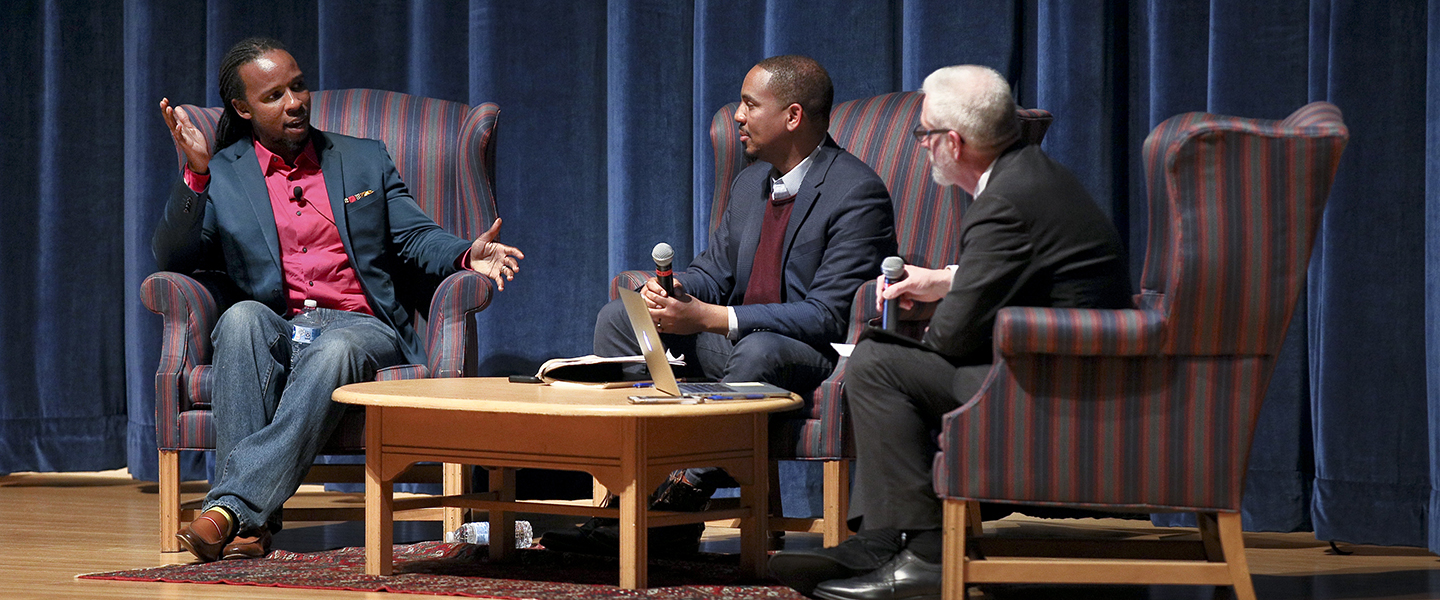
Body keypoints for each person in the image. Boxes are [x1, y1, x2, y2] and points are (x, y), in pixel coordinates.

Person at [767, 65, 1134, 600]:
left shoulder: (1004, 203)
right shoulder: (1028, 176)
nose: (920, 148)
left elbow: (954, 341)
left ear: (953, 143)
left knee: (878, 364)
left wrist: (931, 319)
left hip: (1056, 390)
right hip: (1052, 365)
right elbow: (1024, 273)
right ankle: (882, 541)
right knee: (885, 359)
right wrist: (947, 280)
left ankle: (924, 556)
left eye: (923, 136)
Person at [154, 37, 524, 562]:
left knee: (336, 348)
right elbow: (175, 256)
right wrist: (196, 174)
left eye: (299, 86)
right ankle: (249, 518)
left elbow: (414, 237)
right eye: (274, 94)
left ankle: (229, 509)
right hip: (280, 327)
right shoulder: (225, 172)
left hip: (361, 325)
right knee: (239, 320)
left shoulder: (361, 158)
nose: (295, 102)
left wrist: (466, 254)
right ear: (242, 109)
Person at [540, 55, 897, 556]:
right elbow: (716, 272)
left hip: (804, 359)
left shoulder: (855, 192)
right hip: (734, 347)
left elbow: (828, 315)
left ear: (792, 116)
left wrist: (713, 317)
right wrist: (674, 290)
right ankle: (630, 489)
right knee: (622, 318)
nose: (738, 116)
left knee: (761, 350)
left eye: (751, 105)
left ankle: (679, 500)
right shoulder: (752, 182)